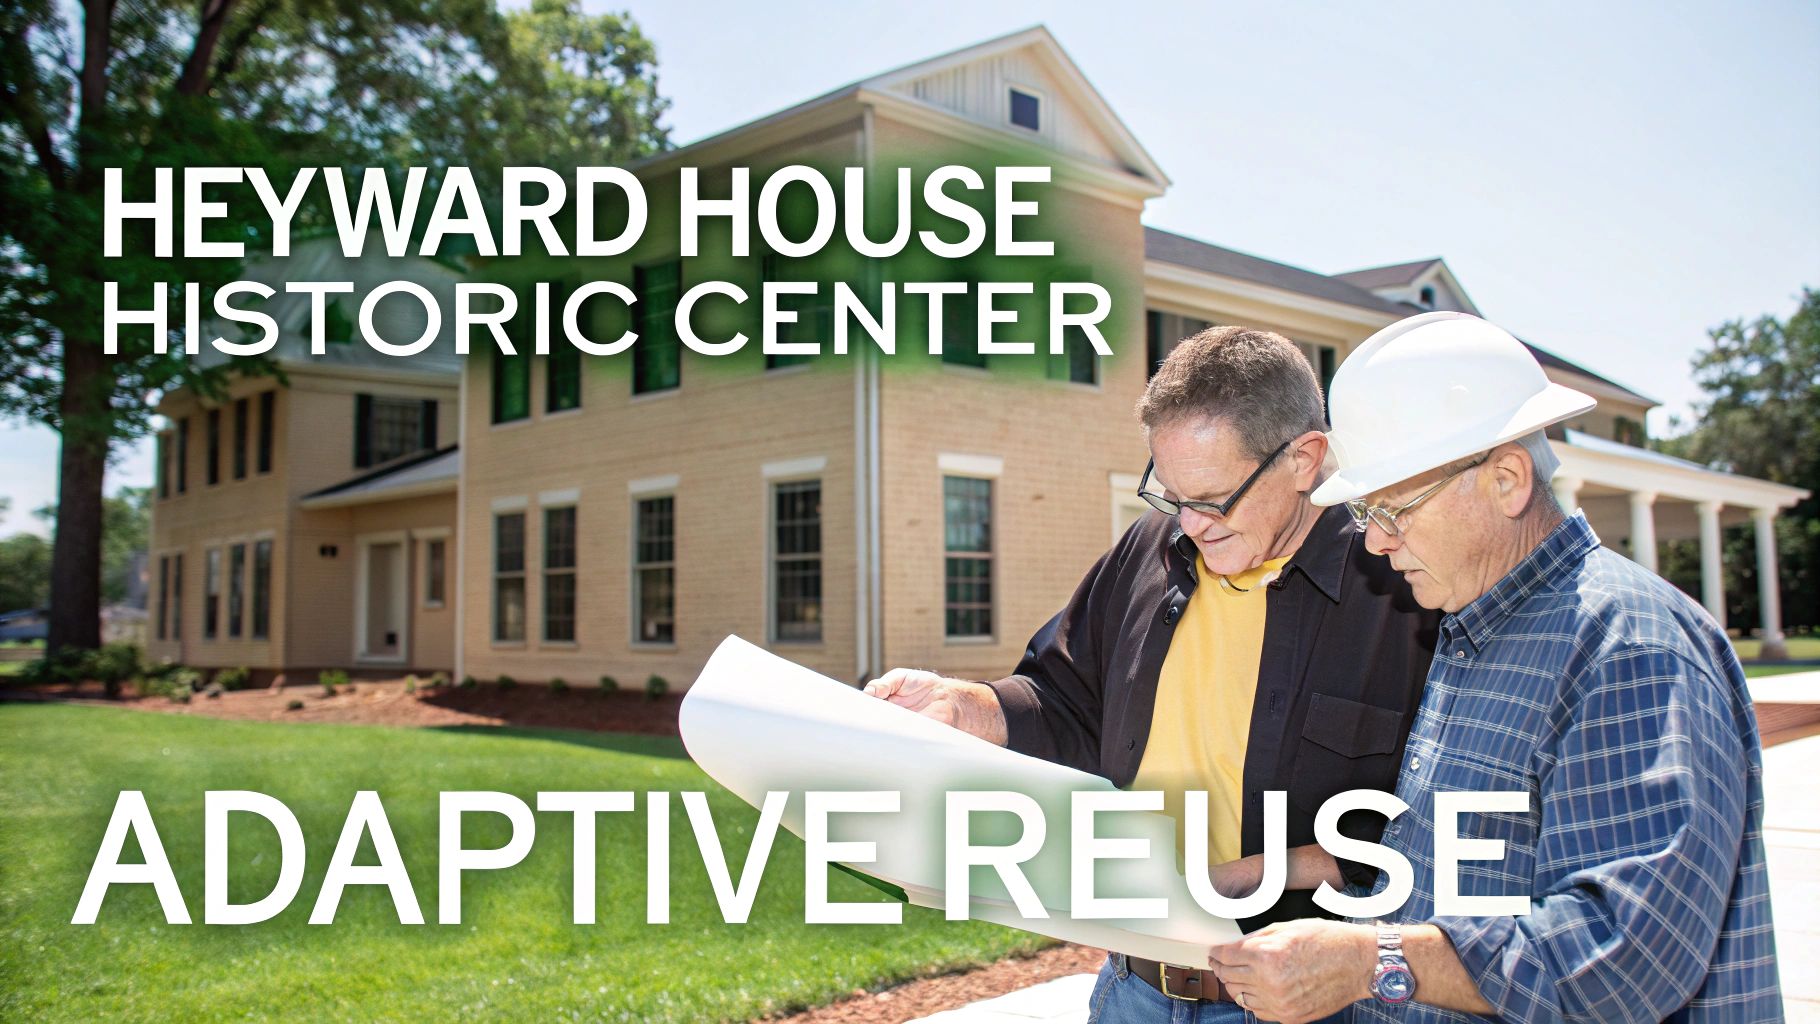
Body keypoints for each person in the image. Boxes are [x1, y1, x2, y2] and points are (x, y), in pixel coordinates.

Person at [1208, 310, 1783, 1023]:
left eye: (1394, 509)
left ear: (1507, 479)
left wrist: (1368, 962)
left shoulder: (1627, 647)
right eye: (1367, 513)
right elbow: (1454, 886)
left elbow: (1628, 958)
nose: (1377, 545)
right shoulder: (1470, 631)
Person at [865, 326, 1439, 1021]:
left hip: (1304, 1004)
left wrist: (1251, 878)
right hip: (1132, 988)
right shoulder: (1151, 549)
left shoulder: (1400, 586)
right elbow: (1064, 700)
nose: (1190, 524)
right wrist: (964, 702)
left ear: (1304, 460)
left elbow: (1443, 818)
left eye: (1213, 498)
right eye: (1169, 495)